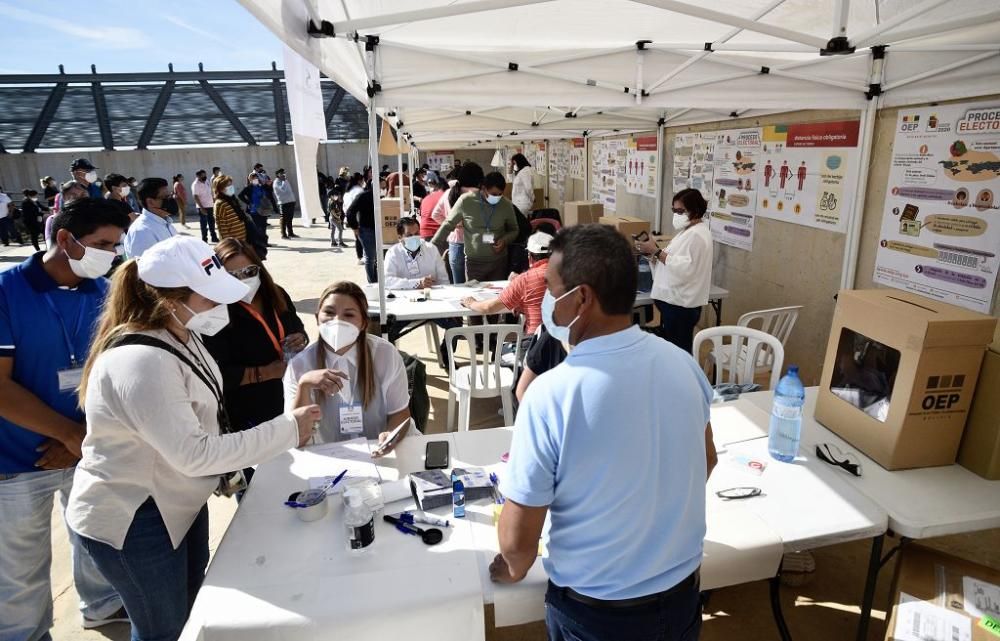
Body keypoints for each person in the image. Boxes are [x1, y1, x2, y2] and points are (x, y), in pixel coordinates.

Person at [65, 235, 321, 641]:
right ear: (169, 299)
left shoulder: (183, 335)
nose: (220, 307)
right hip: (135, 517)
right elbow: (195, 454)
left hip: (178, 501)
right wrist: (288, 428)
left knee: (189, 611)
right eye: (210, 297)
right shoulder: (141, 360)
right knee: (161, 631)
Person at [490, 225, 716, 641]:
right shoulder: (683, 364)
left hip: (595, 615)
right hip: (682, 596)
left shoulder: (550, 395)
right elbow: (706, 459)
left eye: (553, 288)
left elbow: (519, 546)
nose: (546, 298)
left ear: (581, 298)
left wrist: (510, 565)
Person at [0, 199, 130, 640]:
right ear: (63, 238)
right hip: (17, 461)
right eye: (101, 245)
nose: (110, 255)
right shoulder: (6, 292)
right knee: (20, 568)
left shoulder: (102, 293)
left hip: (87, 450)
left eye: (115, 246)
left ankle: (102, 606)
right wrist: (70, 434)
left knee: (95, 540)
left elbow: (116, 375)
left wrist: (83, 440)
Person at [203, 239, 307, 489]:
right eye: (233, 275)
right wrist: (264, 373)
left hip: (287, 401)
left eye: (249, 271)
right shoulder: (215, 313)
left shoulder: (277, 294)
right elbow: (216, 375)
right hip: (246, 413)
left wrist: (301, 338)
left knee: (297, 479)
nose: (244, 279)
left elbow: (297, 327)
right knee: (258, 488)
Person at [284, 281, 413, 448]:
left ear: (363, 323)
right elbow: (297, 438)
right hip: (331, 457)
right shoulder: (299, 366)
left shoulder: (385, 354)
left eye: (349, 315)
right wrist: (304, 385)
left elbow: (400, 413)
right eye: (329, 313)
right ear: (317, 318)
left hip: (380, 453)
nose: (337, 321)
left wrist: (390, 437)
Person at [636, 188, 713, 354]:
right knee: (673, 349)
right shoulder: (686, 233)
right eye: (674, 210)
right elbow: (671, 260)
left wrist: (657, 252)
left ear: (695, 210)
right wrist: (653, 253)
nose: (676, 215)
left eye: (680, 211)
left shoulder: (697, 235)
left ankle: (683, 379)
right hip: (673, 303)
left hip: (681, 306)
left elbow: (686, 269)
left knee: (680, 352)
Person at [384, 217, 459, 367]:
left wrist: (441, 297)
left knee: (456, 323)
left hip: (433, 303)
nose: (415, 238)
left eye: (417, 233)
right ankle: (395, 364)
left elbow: (444, 280)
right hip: (404, 307)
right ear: (400, 238)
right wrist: (416, 283)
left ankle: (446, 353)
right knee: (386, 332)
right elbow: (387, 281)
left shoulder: (431, 249)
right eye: (409, 235)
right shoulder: (393, 253)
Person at [432, 169, 518, 283]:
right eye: (493, 194)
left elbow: (514, 229)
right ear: (483, 189)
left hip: (498, 262)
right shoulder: (466, 201)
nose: (496, 198)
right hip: (474, 264)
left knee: (497, 296)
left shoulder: (506, 204)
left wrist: (505, 240)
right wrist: (432, 246)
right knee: (475, 296)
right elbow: (448, 224)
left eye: (500, 194)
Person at [461, 231, 552, 336]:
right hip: (567, 343)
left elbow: (489, 308)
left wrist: (471, 303)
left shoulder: (525, 279)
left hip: (537, 341)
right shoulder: (569, 274)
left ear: (530, 256)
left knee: (503, 350)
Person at [431, 164, 482, 284]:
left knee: (458, 283)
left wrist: (453, 225)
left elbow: (435, 214)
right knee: (476, 285)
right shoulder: (479, 194)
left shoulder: (448, 193)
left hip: (455, 243)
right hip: (476, 244)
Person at [213, 174, 268, 260]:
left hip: (243, 241)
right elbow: (222, 229)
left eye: (231, 184)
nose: (230, 187)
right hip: (234, 245)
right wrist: (229, 246)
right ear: (220, 188)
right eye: (227, 185)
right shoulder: (220, 204)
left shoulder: (233, 200)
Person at [123, 178, 177, 258]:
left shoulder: (166, 224)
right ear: (150, 202)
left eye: (170, 195)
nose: (170, 200)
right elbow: (145, 268)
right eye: (166, 197)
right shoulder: (142, 232)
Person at [344, 170, 378, 283]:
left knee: (376, 259)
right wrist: (355, 227)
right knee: (370, 258)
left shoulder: (382, 197)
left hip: (378, 230)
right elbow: (350, 212)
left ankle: (377, 280)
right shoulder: (363, 196)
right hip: (367, 230)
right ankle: (372, 282)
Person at [45, 181, 88, 249]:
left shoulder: (95, 218)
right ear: (64, 197)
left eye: (83, 194)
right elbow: (51, 247)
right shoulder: (53, 220)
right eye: (73, 195)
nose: (80, 198)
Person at [343, 172, 366, 264]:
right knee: (361, 239)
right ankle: (361, 256)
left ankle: (359, 257)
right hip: (358, 217)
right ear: (360, 181)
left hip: (349, 217)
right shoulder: (359, 191)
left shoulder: (347, 191)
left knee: (357, 238)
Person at [191, 169, 220, 243]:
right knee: (204, 224)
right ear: (198, 176)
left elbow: (210, 192)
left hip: (210, 205)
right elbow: (195, 197)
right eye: (203, 175)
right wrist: (201, 208)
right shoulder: (195, 184)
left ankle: (214, 237)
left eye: (205, 175)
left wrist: (214, 200)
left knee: (212, 222)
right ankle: (204, 239)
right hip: (203, 207)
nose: (205, 176)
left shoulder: (207, 181)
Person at [419, 175, 447, 242]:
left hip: (424, 234)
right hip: (440, 234)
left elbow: (422, 216)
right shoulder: (446, 196)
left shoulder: (425, 198)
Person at [273, 168, 298, 240]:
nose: (283, 175)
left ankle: (290, 233)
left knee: (290, 218)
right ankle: (283, 234)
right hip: (283, 203)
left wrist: (293, 199)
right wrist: (284, 181)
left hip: (291, 201)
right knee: (283, 219)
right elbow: (283, 190)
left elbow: (290, 191)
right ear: (278, 175)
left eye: (284, 173)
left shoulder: (285, 181)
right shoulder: (276, 182)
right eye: (281, 173)